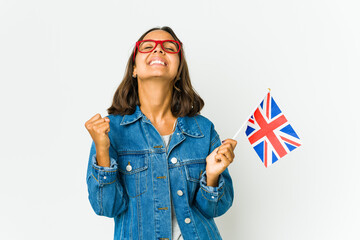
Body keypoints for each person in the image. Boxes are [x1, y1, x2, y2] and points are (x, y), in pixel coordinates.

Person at [85, 26, 237, 240]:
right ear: (134, 69)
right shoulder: (111, 129)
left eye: (169, 47)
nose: (158, 50)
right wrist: (102, 150)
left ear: (178, 70)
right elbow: (106, 207)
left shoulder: (203, 130)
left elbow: (215, 209)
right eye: (148, 47)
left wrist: (212, 176)